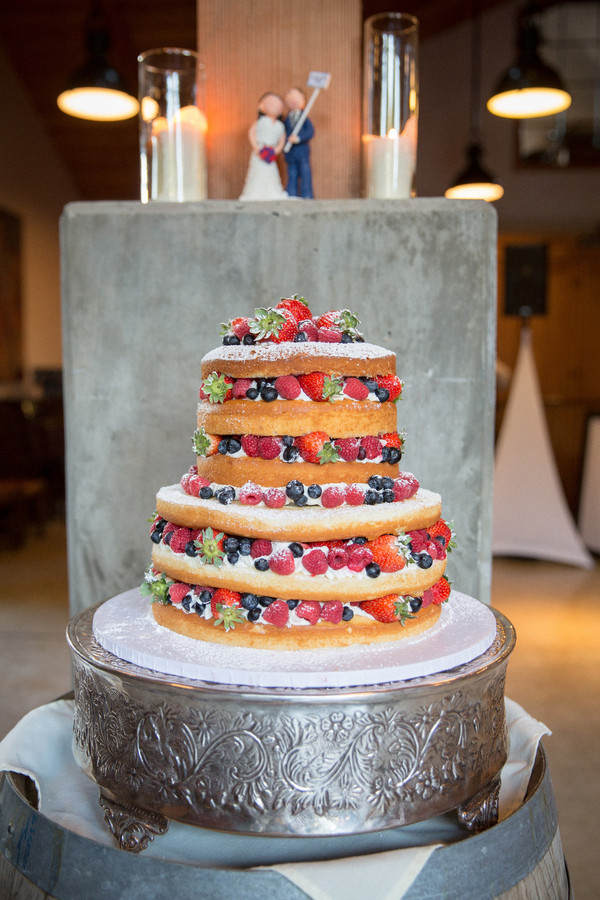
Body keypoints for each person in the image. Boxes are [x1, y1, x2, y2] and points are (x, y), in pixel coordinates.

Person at [239, 92, 288, 200]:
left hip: (271, 153)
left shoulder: (280, 125)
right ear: (261, 106)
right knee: (258, 172)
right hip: (260, 151)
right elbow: (252, 133)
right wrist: (256, 147)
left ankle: (271, 191)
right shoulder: (260, 122)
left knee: (271, 173)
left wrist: (277, 149)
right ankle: (255, 192)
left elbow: (282, 140)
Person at [284, 87, 314, 199]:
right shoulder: (287, 118)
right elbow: (284, 132)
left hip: (302, 152)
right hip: (291, 154)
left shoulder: (304, 118)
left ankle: (307, 195)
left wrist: (298, 138)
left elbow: (310, 132)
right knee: (292, 174)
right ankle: (291, 194)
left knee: (305, 174)